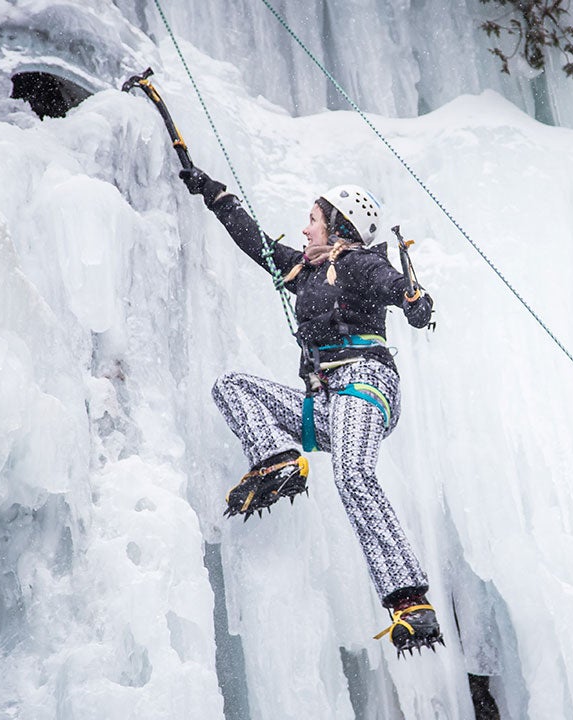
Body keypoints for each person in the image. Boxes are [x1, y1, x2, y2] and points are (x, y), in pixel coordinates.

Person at [179, 165, 443, 655]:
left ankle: (410, 599)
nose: (304, 229)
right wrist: (214, 194)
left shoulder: (360, 264)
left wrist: (413, 300)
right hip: (326, 399)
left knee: (353, 475)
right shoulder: (306, 272)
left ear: (338, 227)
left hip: (365, 383)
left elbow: (393, 286)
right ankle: (277, 458)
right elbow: (254, 242)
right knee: (232, 386)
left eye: (313, 220)